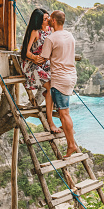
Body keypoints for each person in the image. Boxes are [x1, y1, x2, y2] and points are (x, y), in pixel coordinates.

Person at [41, 10, 77, 158]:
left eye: (50, 18)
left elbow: (43, 58)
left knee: (64, 113)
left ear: (54, 21)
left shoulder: (51, 38)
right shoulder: (70, 36)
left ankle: (71, 144)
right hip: (71, 77)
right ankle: (67, 130)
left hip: (60, 79)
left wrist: (28, 56)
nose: (48, 20)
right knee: (65, 113)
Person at [21, 8, 61, 134]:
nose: (48, 20)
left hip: (45, 63)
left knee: (59, 79)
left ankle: (54, 101)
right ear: (39, 21)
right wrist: (34, 57)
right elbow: (26, 52)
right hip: (32, 64)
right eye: (45, 19)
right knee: (50, 87)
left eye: (48, 17)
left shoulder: (51, 30)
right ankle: (51, 122)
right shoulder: (35, 32)